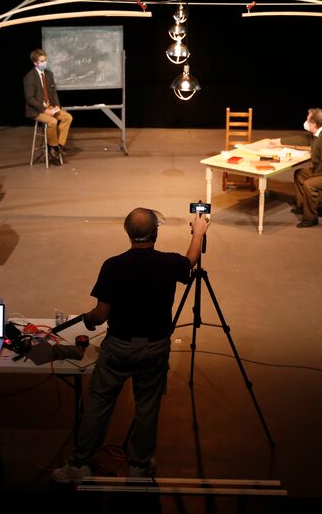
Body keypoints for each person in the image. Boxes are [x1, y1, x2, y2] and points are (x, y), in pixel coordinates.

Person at [52, 207, 210, 484]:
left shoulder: (113, 265)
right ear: (156, 233)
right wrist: (198, 233)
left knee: (99, 404)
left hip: (119, 347)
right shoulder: (168, 263)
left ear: (128, 233)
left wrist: (87, 320)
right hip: (154, 348)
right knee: (147, 407)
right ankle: (139, 466)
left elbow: (100, 315)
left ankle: (78, 464)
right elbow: (191, 260)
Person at [23, 48, 73, 163]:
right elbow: (30, 99)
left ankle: (58, 145)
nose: (44, 63)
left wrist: (57, 106)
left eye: (45, 60)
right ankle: (52, 149)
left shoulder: (49, 74)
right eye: (41, 61)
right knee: (52, 122)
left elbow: (53, 92)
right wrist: (44, 110)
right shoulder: (29, 77)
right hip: (36, 110)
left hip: (49, 106)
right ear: (35, 63)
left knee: (67, 117)